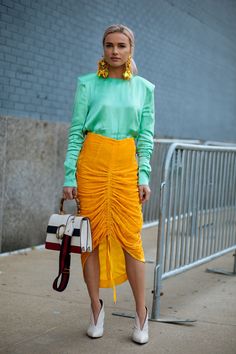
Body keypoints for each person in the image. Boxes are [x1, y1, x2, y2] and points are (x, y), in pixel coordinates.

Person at [63, 24, 155, 344]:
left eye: (121, 46)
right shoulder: (87, 85)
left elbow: (145, 137)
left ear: (131, 49)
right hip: (92, 165)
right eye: (109, 45)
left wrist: (143, 175)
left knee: (132, 241)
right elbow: (76, 133)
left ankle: (141, 315)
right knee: (91, 240)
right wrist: (68, 176)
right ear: (102, 48)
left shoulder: (145, 88)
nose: (115, 51)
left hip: (126, 166)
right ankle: (94, 308)